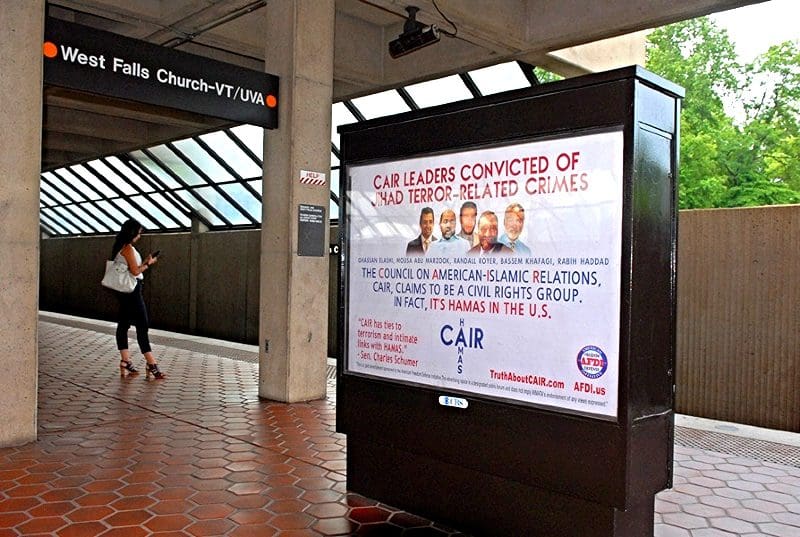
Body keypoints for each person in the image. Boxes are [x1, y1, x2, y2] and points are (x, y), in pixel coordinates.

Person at [109, 219, 165, 380]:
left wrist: (144, 261)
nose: (139, 236)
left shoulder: (121, 247)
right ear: (132, 233)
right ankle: (151, 364)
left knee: (123, 324)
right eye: (139, 233)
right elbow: (135, 271)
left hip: (125, 292)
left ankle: (125, 361)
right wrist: (149, 264)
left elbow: (131, 268)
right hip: (132, 292)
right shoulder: (127, 248)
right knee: (142, 325)